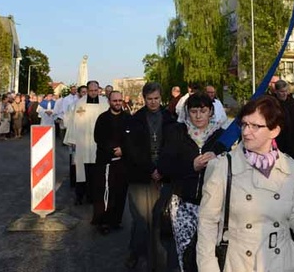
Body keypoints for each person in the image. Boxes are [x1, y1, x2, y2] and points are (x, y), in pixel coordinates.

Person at [197, 95, 294, 271]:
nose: (245, 132)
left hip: (284, 263)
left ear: (274, 131)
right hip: (240, 264)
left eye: (255, 126)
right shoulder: (221, 167)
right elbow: (207, 225)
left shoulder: (292, 168)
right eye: (244, 124)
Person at [158, 92, 224, 272]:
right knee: (186, 250)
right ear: (187, 112)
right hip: (184, 203)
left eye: (203, 111)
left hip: (214, 205)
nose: (198, 116)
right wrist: (191, 166)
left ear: (211, 112)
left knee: (210, 251)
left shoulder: (221, 136)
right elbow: (164, 165)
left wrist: (219, 158)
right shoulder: (177, 132)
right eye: (193, 111)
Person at [122, 82, 177, 271]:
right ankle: (134, 252)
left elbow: (172, 146)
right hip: (141, 176)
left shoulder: (170, 118)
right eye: (149, 99)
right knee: (141, 222)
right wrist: (150, 169)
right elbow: (132, 149)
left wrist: (161, 169)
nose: (153, 102)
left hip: (163, 176)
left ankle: (157, 263)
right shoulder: (134, 120)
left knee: (160, 222)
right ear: (144, 99)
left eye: (156, 99)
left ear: (160, 98)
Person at [63, 80, 109, 207]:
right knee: (81, 172)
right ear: (87, 90)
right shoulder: (80, 103)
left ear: (98, 90)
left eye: (96, 90)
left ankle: (93, 196)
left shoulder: (105, 103)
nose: (93, 93)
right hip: (82, 142)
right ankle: (79, 196)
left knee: (96, 172)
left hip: (98, 143)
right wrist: (72, 140)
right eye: (91, 90)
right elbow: (73, 122)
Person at [93, 91, 130, 233]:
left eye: (120, 100)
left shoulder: (128, 118)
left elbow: (132, 138)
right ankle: (103, 221)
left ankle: (116, 220)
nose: (118, 103)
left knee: (121, 191)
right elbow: (99, 138)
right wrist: (113, 150)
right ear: (109, 101)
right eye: (115, 100)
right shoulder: (102, 118)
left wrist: (124, 149)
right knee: (105, 192)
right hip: (106, 161)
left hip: (123, 162)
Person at [272, 80, 294, 161]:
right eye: (282, 91)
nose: (285, 94)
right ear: (276, 91)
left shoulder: (291, 102)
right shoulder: (272, 103)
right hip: (280, 141)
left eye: (286, 91)